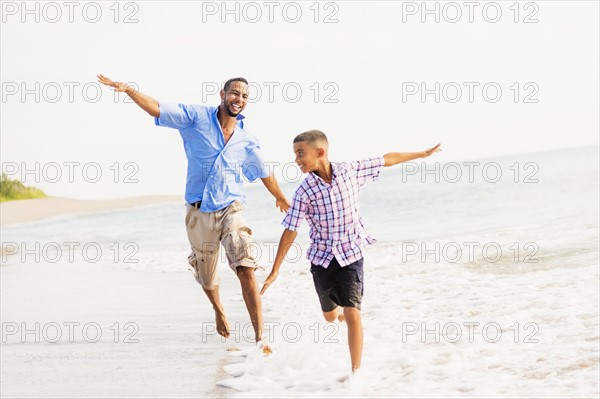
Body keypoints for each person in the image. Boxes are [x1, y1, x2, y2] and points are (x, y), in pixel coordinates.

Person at [97, 74, 290, 349]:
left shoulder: (247, 139)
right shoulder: (195, 117)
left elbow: (264, 172)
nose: (240, 99)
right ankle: (218, 309)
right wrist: (128, 90)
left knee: (245, 265)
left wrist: (281, 197)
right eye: (235, 93)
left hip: (231, 207)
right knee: (208, 276)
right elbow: (157, 108)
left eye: (245, 96)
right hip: (198, 212)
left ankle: (261, 338)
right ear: (222, 95)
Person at [260, 129, 441, 371]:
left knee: (354, 312)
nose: (296, 160)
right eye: (295, 154)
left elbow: (387, 159)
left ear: (320, 152)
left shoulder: (351, 171)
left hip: (351, 255)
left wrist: (421, 154)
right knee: (330, 317)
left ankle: (356, 375)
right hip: (322, 260)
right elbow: (291, 230)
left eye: (301, 153)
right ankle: (339, 313)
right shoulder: (305, 191)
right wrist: (275, 270)